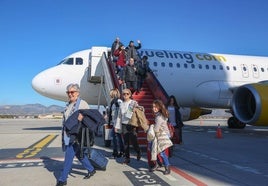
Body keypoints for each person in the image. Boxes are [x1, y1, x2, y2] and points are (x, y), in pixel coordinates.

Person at [57, 83, 96, 186]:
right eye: (68, 92)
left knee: (68, 157)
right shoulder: (68, 105)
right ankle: (91, 169)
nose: (70, 94)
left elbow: (90, 119)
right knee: (79, 154)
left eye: (72, 92)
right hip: (68, 134)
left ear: (77, 93)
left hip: (77, 135)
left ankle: (62, 179)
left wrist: (82, 119)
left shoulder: (83, 104)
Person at [115, 88, 142, 164]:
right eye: (124, 94)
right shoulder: (121, 104)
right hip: (124, 124)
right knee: (126, 143)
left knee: (134, 141)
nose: (125, 95)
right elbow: (119, 116)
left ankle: (138, 151)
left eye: (127, 94)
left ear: (130, 95)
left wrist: (136, 110)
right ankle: (127, 158)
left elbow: (141, 109)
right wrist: (117, 126)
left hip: (132, 124)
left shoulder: (133, 102)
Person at [151, 99, 173, 175]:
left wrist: (150, 129)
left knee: (162, 153)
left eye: (156, 107)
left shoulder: (159, 117)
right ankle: (158, 164)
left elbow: (156, 129)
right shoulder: (159, 115)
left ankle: (167, 167)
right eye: (153, 107)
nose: (154, 108)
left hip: (163, 136)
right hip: (162, 135)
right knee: (154, 149)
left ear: (159, 107)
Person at [108, 88, 124, 158]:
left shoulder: (117, 102)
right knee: (118, 138)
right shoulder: (116, 101)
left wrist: (116, 124)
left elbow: (118, 113)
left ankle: (116, 153)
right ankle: (121, 152)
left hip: (117, 123)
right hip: (116, 123)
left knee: (115, 138)